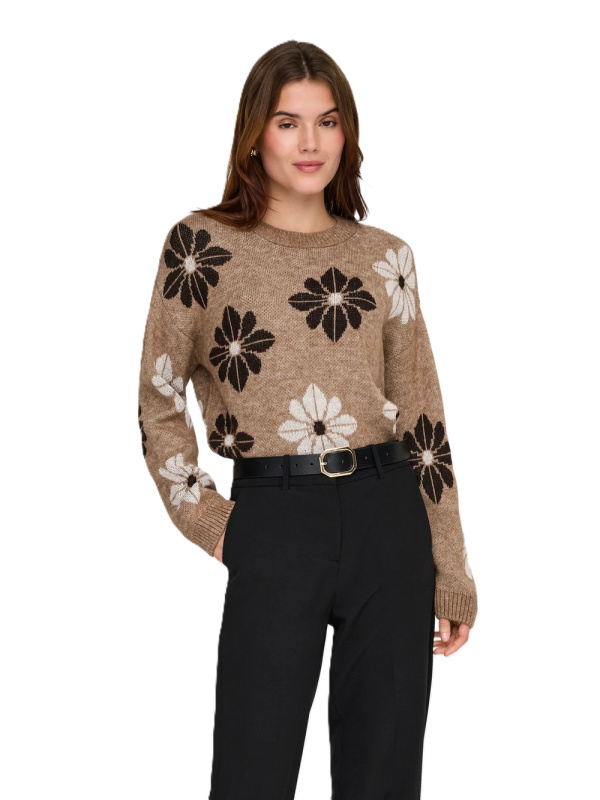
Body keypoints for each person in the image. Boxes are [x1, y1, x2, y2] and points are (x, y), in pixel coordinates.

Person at [137, 39, 477, 800]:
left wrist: (451, 569)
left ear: (346, 131)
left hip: (389, 520)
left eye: (327, 121)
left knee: (383, 779)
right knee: (251, 774)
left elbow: (424, 420)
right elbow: (158, 398)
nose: (310, 141)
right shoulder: (201, 247)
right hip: (274, 519)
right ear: (255, 132)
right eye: (288, 122)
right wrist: (211, 521)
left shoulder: (386, 258)